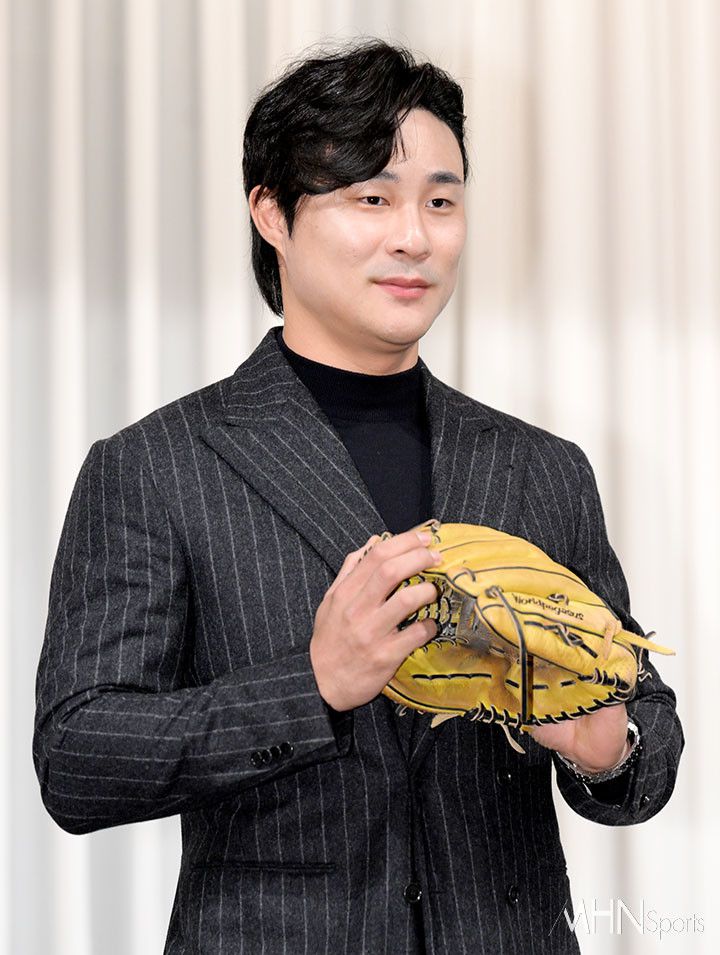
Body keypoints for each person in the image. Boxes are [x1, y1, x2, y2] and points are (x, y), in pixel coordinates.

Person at [34, 39, 683, 954]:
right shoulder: (156, 465)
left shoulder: (543, 467)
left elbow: (646, 723)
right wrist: (313, 685)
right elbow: (78, 756)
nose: (414, 235)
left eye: (441, 201)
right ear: (272, 213)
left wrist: (609, 749)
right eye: (372, 198)